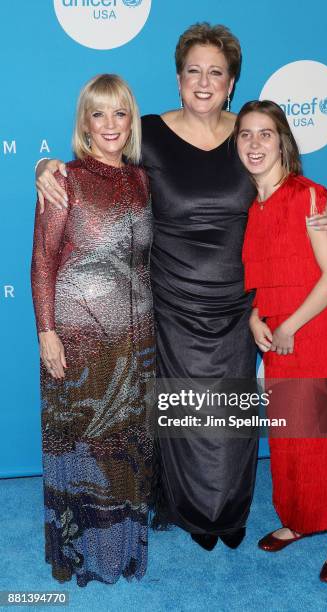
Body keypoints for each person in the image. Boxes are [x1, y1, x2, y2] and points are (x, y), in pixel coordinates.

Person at [34, 23, 327, 551]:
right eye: (193, 71)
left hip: (240, 307)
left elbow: (289, 186)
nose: (204, 82)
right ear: (178, 80)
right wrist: (44, 167)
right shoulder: (146, 134)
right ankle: (186, 509)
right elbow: (96, 161)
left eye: (216, 73)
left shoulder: (249, 135)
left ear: (231, 84)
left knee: (231, 423)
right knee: (181, 416)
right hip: (171, 305)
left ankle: (230, 511)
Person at [31, 74, 155, 586]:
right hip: (80, 341)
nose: (110, 125)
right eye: (98, 114)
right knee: (86, 450)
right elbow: (42, 261)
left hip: (137, 341)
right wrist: (46, 332)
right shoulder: (63, 180)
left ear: (131, 121)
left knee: (129, 445)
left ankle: (125, 548)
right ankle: (88, 553)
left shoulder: (144, 179)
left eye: (119, 113)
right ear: (85, 122)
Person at [236, 100, 327, 582]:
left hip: (318, 330)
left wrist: (290, 324)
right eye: (245, 134)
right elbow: (252, 281)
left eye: (265, 134)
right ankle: (300, 520)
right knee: (291, 438)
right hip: (275, 337)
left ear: (283, 141)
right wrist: (253, 319)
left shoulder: (310, 197)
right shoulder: (246, 209)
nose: (254, 143)